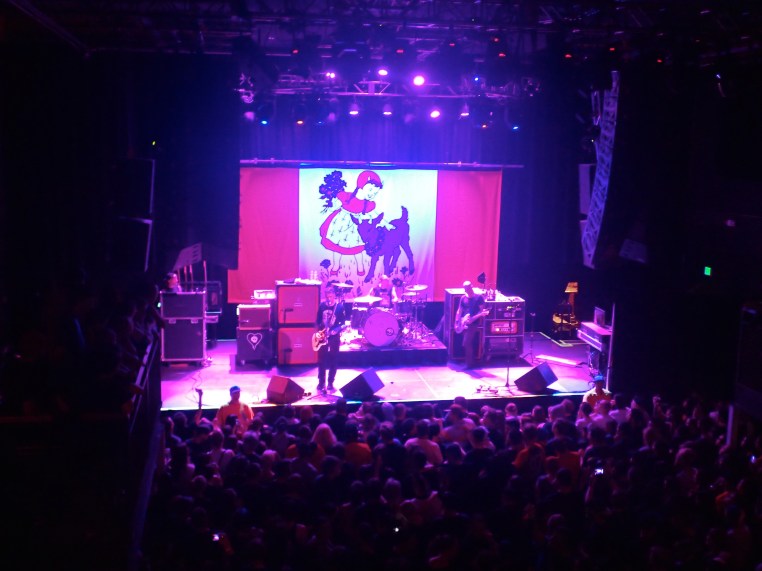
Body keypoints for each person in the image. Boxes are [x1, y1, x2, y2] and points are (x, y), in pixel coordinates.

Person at [315, 286, 347, 394]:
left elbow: (343, 324)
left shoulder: (339, 307)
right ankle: (321, 382)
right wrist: (320, 331)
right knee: (321, 360)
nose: (329, 298)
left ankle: (330, 382)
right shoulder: (322, 306)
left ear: (334, 295)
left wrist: (336, 330)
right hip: (323, 335)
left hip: (334, 336)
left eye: (331, 296)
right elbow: (317, 321)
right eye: (327, 296)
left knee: (333, 359)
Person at [455, 280, 487, 369]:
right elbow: (459, 310)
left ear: (472, 286)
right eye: (465, 288)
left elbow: (482, 311)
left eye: (468, 287)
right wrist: (457, 322)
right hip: (464, 322)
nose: (467, 289)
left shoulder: (479, 298)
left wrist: (474, 318)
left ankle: (469, 364)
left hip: (474, 323)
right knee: (466, 343)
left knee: (466, 343)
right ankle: (470, 362)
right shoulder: (463, 298)